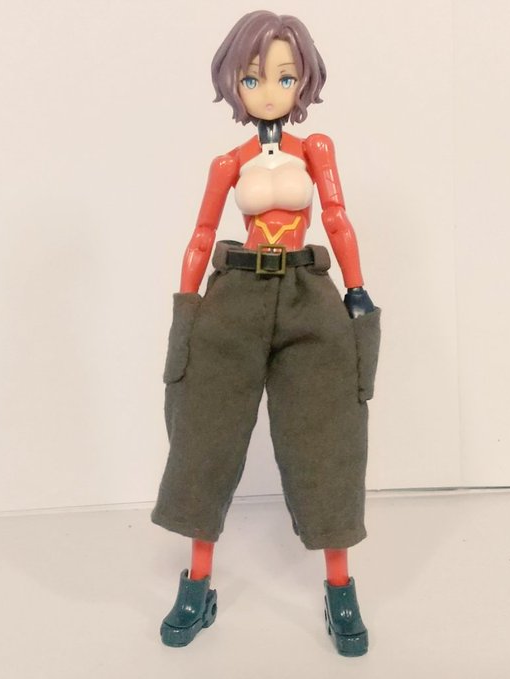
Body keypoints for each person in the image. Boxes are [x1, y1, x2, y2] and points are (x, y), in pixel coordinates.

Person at [151, 10, 380, 657]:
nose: (270, 90)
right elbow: (202, 234)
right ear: (234, 84)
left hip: (308, 292)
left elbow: (337, 218)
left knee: (328, 435)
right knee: (207, 432)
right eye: (253, 78)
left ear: (303, 80)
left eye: (285, 76)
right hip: (236, 292)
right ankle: (197, 582)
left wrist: (357, 291)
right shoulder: (230, 161)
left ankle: (340, 587)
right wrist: (187, 307)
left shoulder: (316, 150)